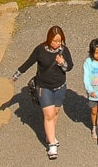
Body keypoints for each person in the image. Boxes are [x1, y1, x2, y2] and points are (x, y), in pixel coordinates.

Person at [12, 25, 73, 159]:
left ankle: (49, 135)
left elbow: (70, 67)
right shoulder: (40, 50)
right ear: (49, 39)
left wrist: (63, 63)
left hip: (60, 86)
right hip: (44, 87)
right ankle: (52, 145)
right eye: (55, 41)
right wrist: (17, 74)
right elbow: (29, 62)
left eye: (60, 41)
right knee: (49, 115)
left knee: (56, 112)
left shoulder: (64, 50)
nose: (57, 44)